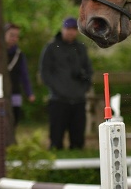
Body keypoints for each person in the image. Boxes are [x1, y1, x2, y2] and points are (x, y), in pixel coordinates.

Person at [39, 17, 93, 149]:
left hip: (78, 97)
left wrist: (84, 87)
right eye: (68, 29)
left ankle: (77, 153)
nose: (71, 32)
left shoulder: (80, 48)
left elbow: (89, 70)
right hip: (58, 98)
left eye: (74, 29)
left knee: (78, 138)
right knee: (56, 138)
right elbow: (45, 72)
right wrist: (57, 89)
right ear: (63, 29)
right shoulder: (51, 47)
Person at [4, 23, 36, 126]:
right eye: (11, 35)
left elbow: (24, 75)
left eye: (16, 36)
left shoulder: (19, 55)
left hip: (15, 91)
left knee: (14, 119)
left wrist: (29, 93)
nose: (14, 38)